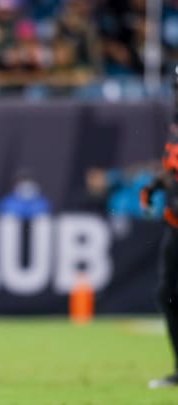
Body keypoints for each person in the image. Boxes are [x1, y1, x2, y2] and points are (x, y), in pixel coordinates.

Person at [142, 66, 178, 389]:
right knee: (168, 294)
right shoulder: (176, 126)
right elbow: (173, 165)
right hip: (175, 223)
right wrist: (157, 183)